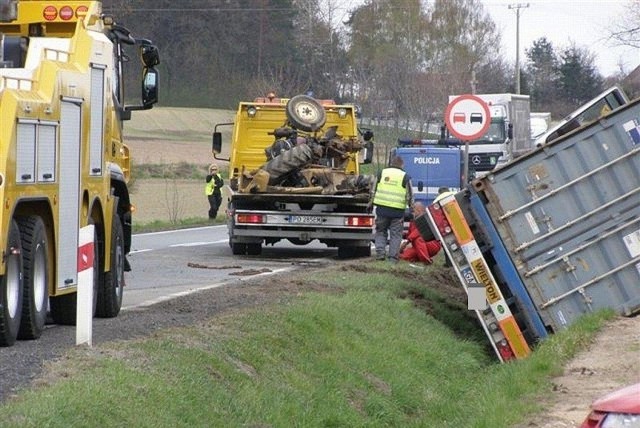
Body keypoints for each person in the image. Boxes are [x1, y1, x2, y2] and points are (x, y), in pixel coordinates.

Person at [372, 155, 412, 263]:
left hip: (382, 209)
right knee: (396, 234)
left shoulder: (381, 173)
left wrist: (370, 203)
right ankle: (393, 258)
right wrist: (411, 207)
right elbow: (409, 195)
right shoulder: (405, 176)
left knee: (380, 231)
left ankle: (380, 253)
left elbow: (373, 190)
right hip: (397, 211)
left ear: (391, 163)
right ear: (402, 164)